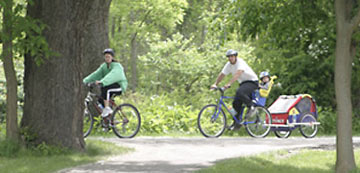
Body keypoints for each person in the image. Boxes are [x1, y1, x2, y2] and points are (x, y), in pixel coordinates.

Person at [210, 49, 258, 130]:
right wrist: (215, 84)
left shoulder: (240, 62)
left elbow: (238, 74)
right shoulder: (228, 65)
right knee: (235, 103)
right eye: (229, 57)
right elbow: (222, 74)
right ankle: (237, 123)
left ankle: (251, 106)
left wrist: (229, 84)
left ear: (235, 57)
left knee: (240, 92)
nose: (230, 58)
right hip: (243, 83)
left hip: (252, 82)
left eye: (232, 56)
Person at [83, 48, 128, 117]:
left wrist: (102, 81)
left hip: (119, 86)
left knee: (106, 89)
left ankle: (107, 108)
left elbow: (112, 75)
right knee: (101, 99)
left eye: (108, 57)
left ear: (112, 57)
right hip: (109, 85)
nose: (107, 58)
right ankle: (109, 118)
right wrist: (85, 81)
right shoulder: (104, 66)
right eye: (106, 57)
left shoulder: (117, 66)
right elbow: (96, 74)